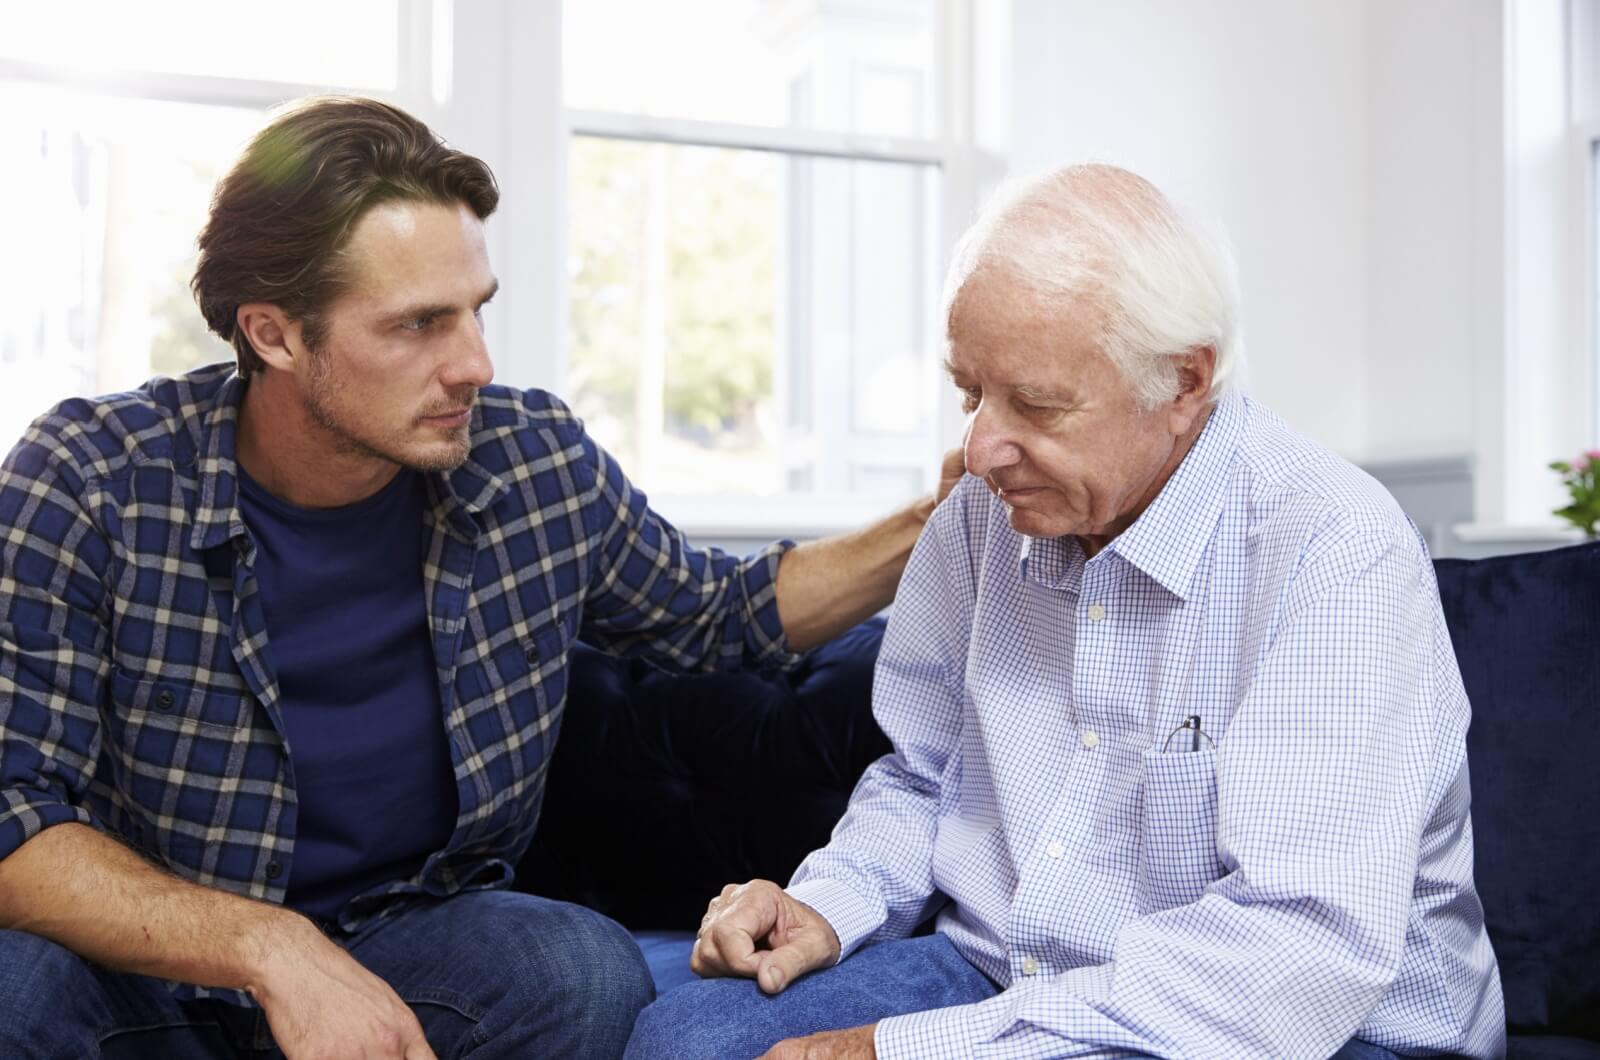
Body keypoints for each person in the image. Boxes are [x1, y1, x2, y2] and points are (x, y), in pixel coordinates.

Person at [0, 96, 958, 1060]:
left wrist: (945, 514)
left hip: (404, 941)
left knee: (575, 967)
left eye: (475, 311)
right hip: (147, 961)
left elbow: (724, 615)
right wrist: (267, 947)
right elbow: (12, 813)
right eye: (419, 324)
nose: (475, 364)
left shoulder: (530, 462)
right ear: (275, 334)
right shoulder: (92, 478)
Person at [629, 164, 1506, 1060]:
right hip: (1005, 969)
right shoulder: (980, 513)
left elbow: (1288, 955)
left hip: (1305, 1021)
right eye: (970, 392)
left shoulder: (1335, 550)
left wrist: (901, 1050)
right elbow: (925, 776)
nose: (978, 449)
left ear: (1183, 383)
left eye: (1036, 404)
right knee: (688, 1043)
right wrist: (830, 903)